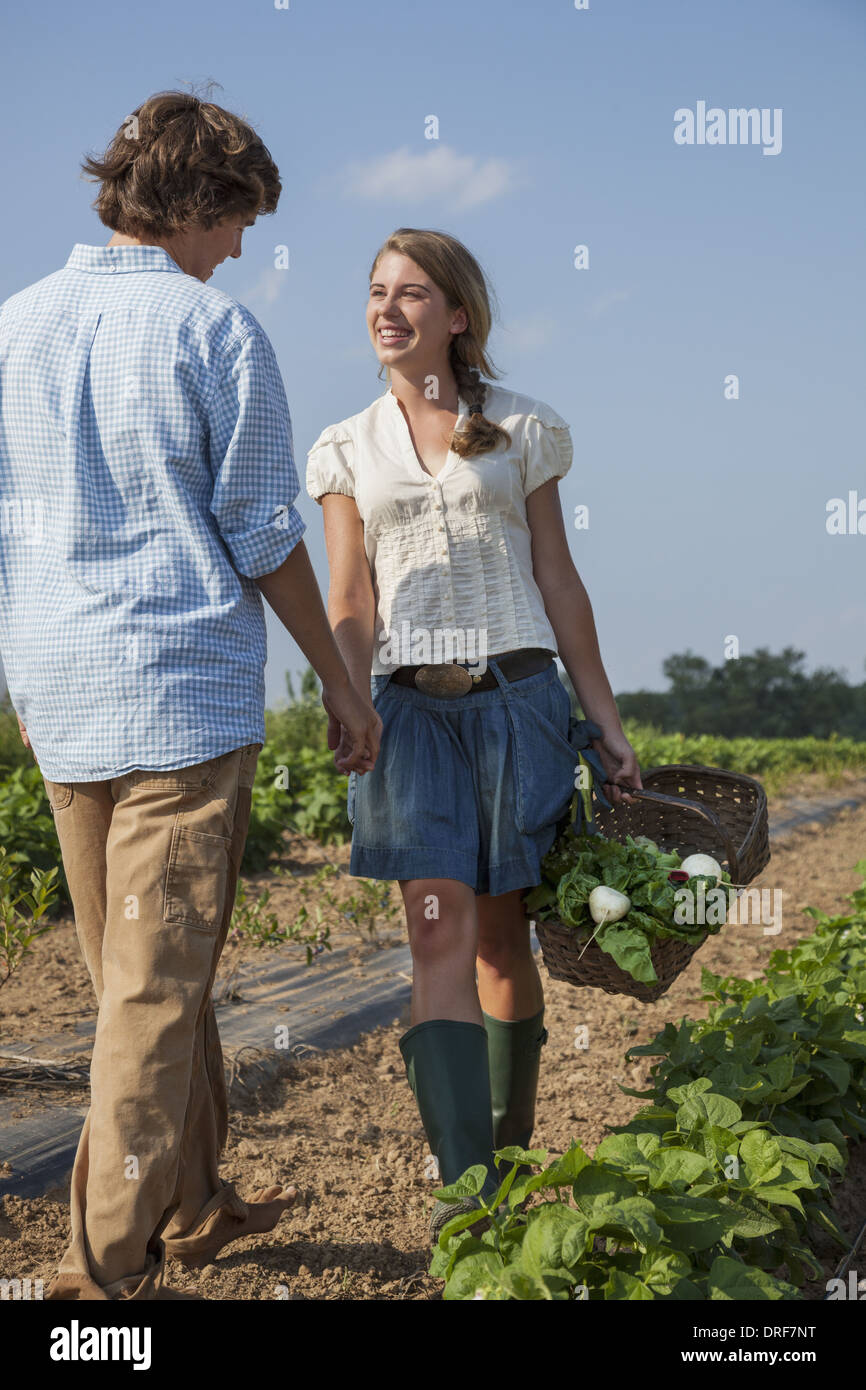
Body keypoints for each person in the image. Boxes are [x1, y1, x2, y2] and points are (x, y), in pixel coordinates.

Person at [0, 90, 380, 1300]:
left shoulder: (14, 327)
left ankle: (197, 1203)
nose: (239, 252)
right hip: (177, 697)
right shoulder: (213, 332)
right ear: (200, 203)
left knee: (145, 976)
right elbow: (263, 528)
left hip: (61, 694)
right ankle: (98, 1285)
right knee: (154, 991)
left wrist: (20, 670)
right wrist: (337, 677)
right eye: (239, 225)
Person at [305, 227, 644, 1244]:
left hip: (520, 700)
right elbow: (350, 592)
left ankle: (507, 1152)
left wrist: (606, 717)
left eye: (412, 293)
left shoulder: (524, 428)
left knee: (503, 941)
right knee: (437, 935)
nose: (387, 308)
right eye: (375, 291)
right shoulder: (343, 446)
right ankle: (470, 1198)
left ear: (456, 316)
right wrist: (343, 692)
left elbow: (558, 580)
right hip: (409, 715)